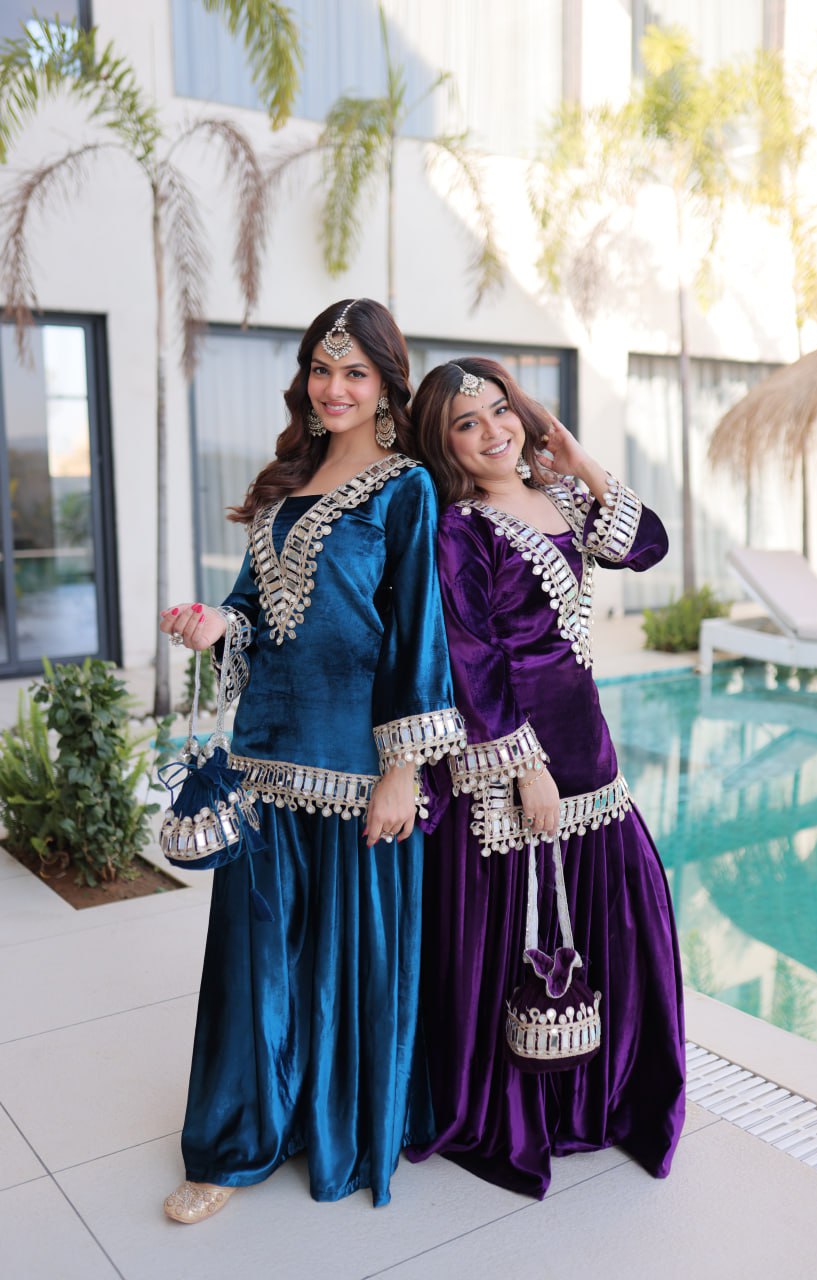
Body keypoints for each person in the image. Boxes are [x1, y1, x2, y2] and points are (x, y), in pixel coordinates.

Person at [158, 299, 465, 1222]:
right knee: (254, 967)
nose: (333, 388)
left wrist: (402, 771)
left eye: (354, 372)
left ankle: (333, 1128)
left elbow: (418, 635)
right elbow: (252, 607)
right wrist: (215, 623)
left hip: (356, 770)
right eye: (321, 370)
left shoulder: (405, 489)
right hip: (261, 760)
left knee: (340, 975)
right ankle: (233, 1145)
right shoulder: (284, 481)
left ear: (386, 387)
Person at [407, 356, 685, 1199]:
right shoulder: (459, 529)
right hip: (514, 757)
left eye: (500, 410)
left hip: (588, 747)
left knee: (614, 917)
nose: (492, 431)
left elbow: (646, 546)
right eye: (466, 423)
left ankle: (594, 1096)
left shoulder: (560, 498)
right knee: (515, 927)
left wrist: (584, 465)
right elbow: (471, 657)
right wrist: (525, 767)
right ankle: (520, 1109)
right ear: (444, 444)